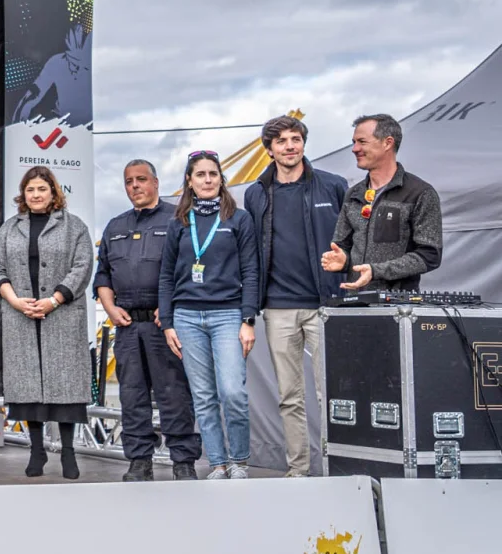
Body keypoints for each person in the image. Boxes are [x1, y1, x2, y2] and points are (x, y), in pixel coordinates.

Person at [242, 115, 348, 477]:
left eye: (295, 138)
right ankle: (298, 472)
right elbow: (252, 251)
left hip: (325, 305)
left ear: (303, 142)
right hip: (278, 308)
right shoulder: (256, 193)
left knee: (330, 394)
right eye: (282, 141)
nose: (290, 146)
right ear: (268, 150)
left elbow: (351, 242)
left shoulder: (333, 186)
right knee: (290, 397)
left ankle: (337, 468)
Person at [93, 160, 200, 481]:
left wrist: (170, 305)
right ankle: (139, 459)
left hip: (164, 325)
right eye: (128, 182)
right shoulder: (115, 226)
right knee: (132, 395)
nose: (135, 186)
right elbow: (103, 275)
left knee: (174, 394)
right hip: (127, 327)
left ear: (156, 182)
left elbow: (190, 269)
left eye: (141, 180)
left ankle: (183, 460)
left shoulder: (178, 219)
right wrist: (110, 308)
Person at [0, 166, 95, 479]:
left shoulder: (74, 227)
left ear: (53, 193)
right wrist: (15, 300)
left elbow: (82, 267)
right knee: (29, 389)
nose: (36, 195)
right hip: (21, 317)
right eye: (30, 190)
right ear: (23, 194)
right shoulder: (8, 229)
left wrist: (54, 300)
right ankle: (36, 451)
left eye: (42, 189)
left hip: (61, 315)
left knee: (65, 389)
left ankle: (68, 453)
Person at [159, 151, 259, 480]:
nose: (206, 180)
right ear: (189, 181)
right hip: (187, 317)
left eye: (212, 174)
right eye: (199, 175)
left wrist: (248, 320)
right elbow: (166, 277)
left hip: (228, 315)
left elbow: (251, 271)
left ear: (221, 179)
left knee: (232, 391)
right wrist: (169, 324)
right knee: (203, 396)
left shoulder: (239, 219)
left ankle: (239, 461)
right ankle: (217, 463)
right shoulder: (178, 222)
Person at [321, 114, 443, 292]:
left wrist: (376, 271)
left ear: (387, 143)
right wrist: (343, 260)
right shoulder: (354, 194)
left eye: (362, 141)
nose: (355, 149)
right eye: (354, 142)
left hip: (398, 307)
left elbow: (430, 255)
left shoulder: (420, 193)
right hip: (354, 302)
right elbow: (342, 245)